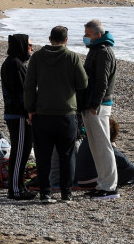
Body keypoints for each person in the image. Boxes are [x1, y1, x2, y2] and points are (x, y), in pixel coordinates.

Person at [24, 26, 88, 203]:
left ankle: (45, 192)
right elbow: (83, 83)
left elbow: (29, 86)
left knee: (43, 155)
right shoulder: (72, 57)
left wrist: (30, 109)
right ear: (66, 40)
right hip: (66, 113)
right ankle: (66, 193)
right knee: (67, 155)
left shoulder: (37, 57)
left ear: (50, 38)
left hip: (42, 113)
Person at [81, 19, 119, 199]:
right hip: (93, 103)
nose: (85, 37)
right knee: (95, 146)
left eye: (88, 34)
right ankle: (102, 183)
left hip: (100, 105)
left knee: (103, 146)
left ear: (98, 34)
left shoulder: (103, 52)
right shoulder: (95, 49)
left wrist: (95, 104)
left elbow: (102, 82)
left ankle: (110, 187)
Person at [1, 34, 36, 200]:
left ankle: (19, 186)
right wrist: (29, 111)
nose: (31, 48)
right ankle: (15, 189)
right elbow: (21, 93)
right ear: (21, 46)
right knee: (20, 151)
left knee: (22, 150)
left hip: (17, 114)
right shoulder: (14, 64)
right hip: (18, 115)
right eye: (29, 45)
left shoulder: (16, 63)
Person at [75, 118, 134, 188]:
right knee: (131, 171)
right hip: (91, 181)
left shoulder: (87, 140)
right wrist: (113, 146)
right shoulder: (102, 142)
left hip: (81, 180)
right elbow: (124, 161)